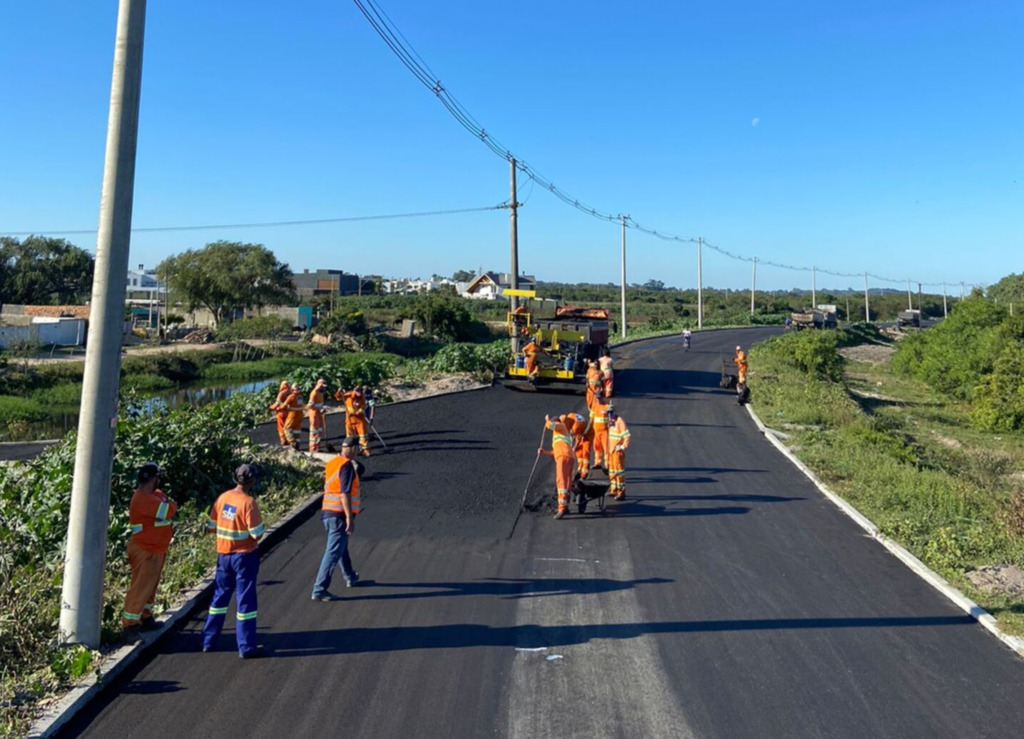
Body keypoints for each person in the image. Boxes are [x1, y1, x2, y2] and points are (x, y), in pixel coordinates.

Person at [202, 464, 265, 659]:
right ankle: (246, 647)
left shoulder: (223, 498)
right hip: (244, 556)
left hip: (223, 555)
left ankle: (208, 640)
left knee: (219, 598)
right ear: (252, 481)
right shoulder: (249, 503)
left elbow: (211, 526)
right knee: (245, 600)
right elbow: (257, 533)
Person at [121, 463, 177, 641]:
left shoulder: (153, 496)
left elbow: (163, 501)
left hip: (155, 549)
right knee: (140, 588)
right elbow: (168, 510)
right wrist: (171, 503)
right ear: (153, 479)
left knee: (149, 587)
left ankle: (146, 616)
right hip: (146, 550)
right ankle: (129, 626)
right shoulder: (143, 499)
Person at [311, 436, 362, 600]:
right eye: (358, 448)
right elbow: (344, 492)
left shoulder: (333, 463)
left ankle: (350, 576)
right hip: (339, 514)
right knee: (333, 552)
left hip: (328, 513)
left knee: (341, 546)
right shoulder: (346, 466)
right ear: (353, 448)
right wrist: (349, 517)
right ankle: (319, 589)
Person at [539, 414, 574, 520]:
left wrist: (547, 420)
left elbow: (550, 425)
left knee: (561, 481)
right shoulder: (561, 434)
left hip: (563, 457)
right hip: (568, 457)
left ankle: (562, 507)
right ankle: (566, 505)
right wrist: (544, 452)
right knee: (567, 482)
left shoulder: (560, 425)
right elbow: (555, 451)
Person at [336, 385, 371, 456]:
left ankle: (364, 450)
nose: (359, 394)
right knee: (350, 437)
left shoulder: (362, 398)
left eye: (360, 392)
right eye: (357, 391)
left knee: (363, 436)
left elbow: (362, 409)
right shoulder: (348, 395)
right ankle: (350, 451)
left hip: (360, 420)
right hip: (349, 420)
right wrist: (339, 391)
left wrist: (354, 413)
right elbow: (338, 397)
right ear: (354, 391)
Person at [606, 405, 631, 500]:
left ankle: (621, 491)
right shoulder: (611, 422)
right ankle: (614, 489)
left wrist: (622, 447)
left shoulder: (619, 421)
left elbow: (627, 436)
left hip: (617, 453)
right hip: (611, 452)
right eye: (608, 413)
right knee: (612, 472)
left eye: (611, 412)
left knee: (619, 472)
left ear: (615, 412)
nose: (609, 414)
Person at [562, 411, 593, 479]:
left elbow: (578, 440)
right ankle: (580, 469)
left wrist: (573, 448)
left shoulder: (576, 427)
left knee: (585, 451)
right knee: (578, 452)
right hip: (581, 431)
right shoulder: (570, 416)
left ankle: (585, 472)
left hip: (589, 434)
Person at [590, 397, 612, 471]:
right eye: (597, 398)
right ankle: (597, 463)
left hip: (604, 431)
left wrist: (611, 411)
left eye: (600, 398)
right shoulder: (595, 406)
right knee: (597, 448)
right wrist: (589, 428)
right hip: (596, 431)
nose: (598, 400)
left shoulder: (607, 406)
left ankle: (607, 465)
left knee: (606, 448)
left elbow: (611, 417)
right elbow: (591, 418)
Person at [307, 379, 328, 453]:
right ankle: (313, 449)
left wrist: (322, 409)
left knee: (319, 431)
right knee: (314, 432)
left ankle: (317, 447)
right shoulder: (314, 393)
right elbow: (310, 405)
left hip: (319, 414)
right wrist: (319, 409)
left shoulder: (321, 393)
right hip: (314, 414)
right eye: (322, 387)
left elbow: (319, 404)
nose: (324, 388)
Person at [283, 383, 305, 450]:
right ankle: (297, 444)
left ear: (292, 390)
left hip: (292, 415)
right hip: (300, 415)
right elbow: (302, 406)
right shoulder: (300, 396)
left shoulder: (291, 397)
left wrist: (278, 407)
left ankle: (293, 442)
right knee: (297, 430)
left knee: (286, 428)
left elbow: (284, 406)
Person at [270, 381, 290, 446]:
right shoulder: (290, 392)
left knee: (281, 427)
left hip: (281, 412)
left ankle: (283, 441)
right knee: (288, 427)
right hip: (289, 412)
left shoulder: (281, 393)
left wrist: (271, 407)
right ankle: (289, 440)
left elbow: (277, 403)